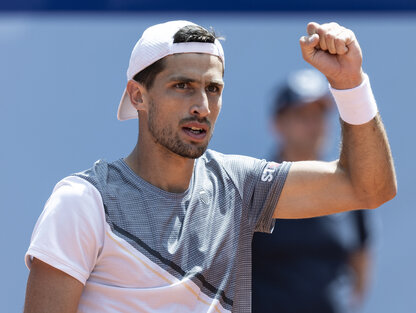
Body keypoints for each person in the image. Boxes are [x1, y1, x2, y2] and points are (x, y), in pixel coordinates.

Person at [23, 20, 396, 313]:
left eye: (213, 89)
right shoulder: (82, 202)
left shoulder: (240, 186)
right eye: (182, 85)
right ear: (139, 95)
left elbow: (369, 188)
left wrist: (350, 84)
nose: (201, 104)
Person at [252, 68, 372, 313]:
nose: (313, 125)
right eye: (302, 115)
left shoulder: (348, 189)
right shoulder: (252, 190)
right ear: (278, 124)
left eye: (319, 115)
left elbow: (360, 258)